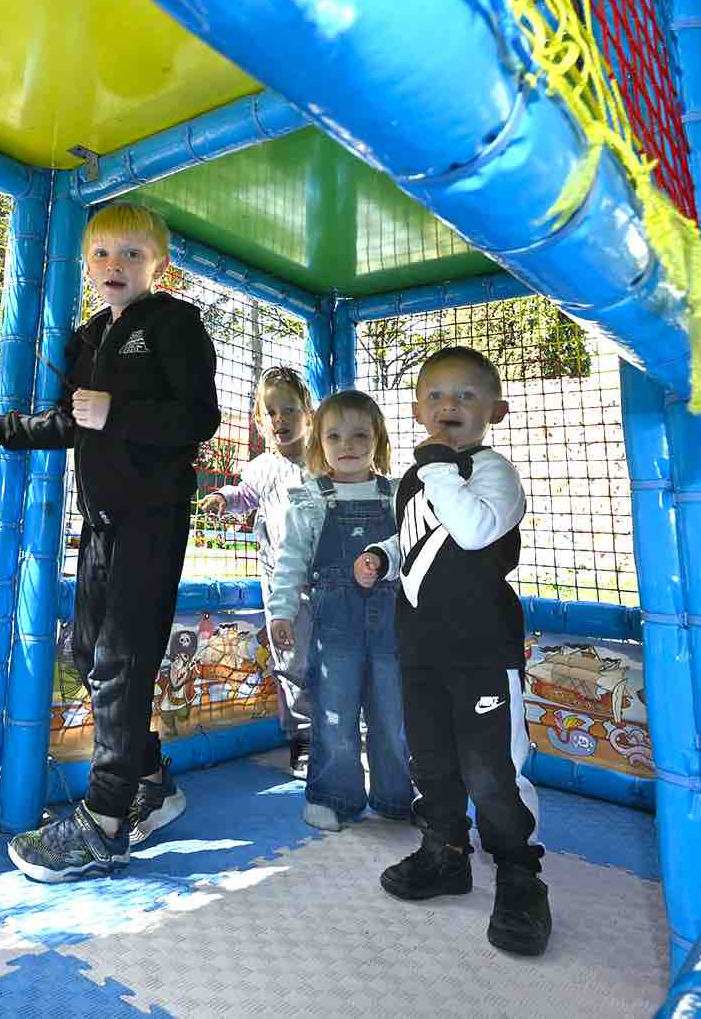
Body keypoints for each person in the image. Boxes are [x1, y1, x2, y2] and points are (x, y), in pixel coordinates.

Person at [0, 201, 220, 883]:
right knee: (87, 650)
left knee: (121, 661)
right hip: (99, 525)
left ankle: (105, 821)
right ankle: (149, 773)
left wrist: (118, 412)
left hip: (151, 518)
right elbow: (68, 421)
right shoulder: (88, 337)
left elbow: (199, 417)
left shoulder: (174, 324)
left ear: (160, 264)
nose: (114, 266)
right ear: (86, 266)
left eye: (130, 254)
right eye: (101, 254)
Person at [361, 345, 550, 957]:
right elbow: (419, 536)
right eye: (437, 396)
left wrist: (441, 465)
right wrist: (383, 558)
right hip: (420, 650)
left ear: (494, 409)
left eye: (467, 396)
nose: (450, 406)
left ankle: (520, 875)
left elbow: (471, 530)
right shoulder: (421, 476)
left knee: (492, 770)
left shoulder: (491, 471)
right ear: (417, 409)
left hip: (480, 652)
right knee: (432, 761)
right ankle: (444, 853)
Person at [266, 390, 413, 831]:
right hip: (336, 627)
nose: (347, 445)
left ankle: (396, 797)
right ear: (319, 443)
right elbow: (290, 559)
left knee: (393, 714)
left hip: (391, 625)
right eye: (334, 436)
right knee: (335, 712)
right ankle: (333, 795)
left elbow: (412, 551)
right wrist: (282, 611)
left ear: (378, 440)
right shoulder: (311, 498)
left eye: (359, 435)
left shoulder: (396, 493)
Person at [199, 365, 314, 775]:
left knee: (337, 657)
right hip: (282, 586)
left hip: (326, 581)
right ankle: (302, 736)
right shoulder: (262, 467)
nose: (280, 420)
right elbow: (244, 495)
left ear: (308, 412)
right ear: (258, 420)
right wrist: (223, 498)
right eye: (271, 412)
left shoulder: (324, 459)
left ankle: (348, 734)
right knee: (290, 660)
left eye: (289, 410)